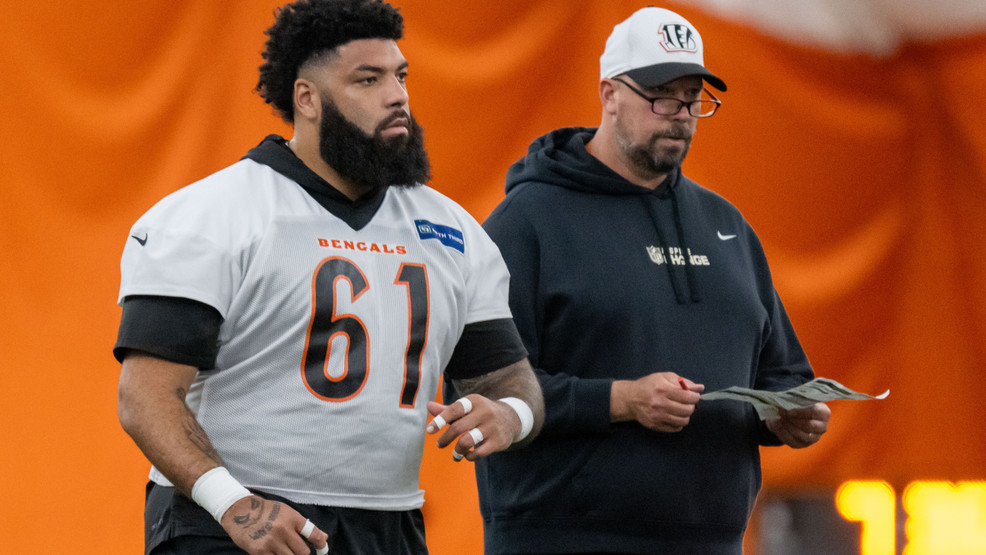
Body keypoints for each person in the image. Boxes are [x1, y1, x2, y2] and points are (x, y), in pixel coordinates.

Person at [114, 1, 543, 554]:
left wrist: (513, 414)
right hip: (233, 518)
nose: (398, 96)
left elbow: (508, 379)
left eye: (401, 75)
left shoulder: (452, 229)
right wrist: (232, 503)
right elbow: (144, 397)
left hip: (389, 523)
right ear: (307, 98)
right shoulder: (212, 215)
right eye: (368, 79)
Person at [475, 6, 830, 555]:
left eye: (693, 98)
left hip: (712, 540)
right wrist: (621, 400)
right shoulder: (526, 224)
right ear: (609, 93)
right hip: (561, 538)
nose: (681, 115)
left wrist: (789, 414)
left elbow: (782, 371)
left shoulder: (726, 226)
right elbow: (486, 388)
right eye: (662, 94)